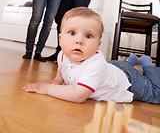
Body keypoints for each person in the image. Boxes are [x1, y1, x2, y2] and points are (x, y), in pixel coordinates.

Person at [23, 7, 160, 104]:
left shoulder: (96, 64)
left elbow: (78, 96)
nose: (79, 40)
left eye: (88, 36)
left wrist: (48, 88)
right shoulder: (62, 54)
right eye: (72, 33)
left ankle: (146, 62)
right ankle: (129, 61)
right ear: (60, 39)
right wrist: (58, 80)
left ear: (98, 45)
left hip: (128, 82)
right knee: (109, 68)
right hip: (110, 68)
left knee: (156, 93)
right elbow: (62, 69)